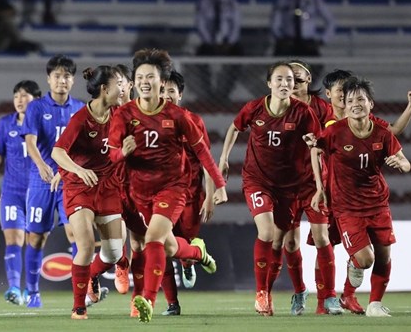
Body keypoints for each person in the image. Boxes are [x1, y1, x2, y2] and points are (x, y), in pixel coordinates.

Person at [109, 48, 228, 323]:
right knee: (170, 248)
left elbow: (203, 153)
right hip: (140, 192)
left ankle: (147, 301)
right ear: (134, 81)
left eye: (151, 76)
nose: (145, 81)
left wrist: (219, 185)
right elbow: (112, 154)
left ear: (162, 82)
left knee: (153, 240)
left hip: (173, 188)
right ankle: (198, 252)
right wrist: (121, 153)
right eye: (140, 76)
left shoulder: (179, 116)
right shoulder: (124, 115)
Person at [218, 61, 321, 316]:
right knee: (266, 232)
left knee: (286, 241)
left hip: (290, 187)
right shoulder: (255, 108)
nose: (286, 84)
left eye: (289, 80)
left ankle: (294, 290)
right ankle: (262, 294)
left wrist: (313, 146)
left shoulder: (303, 112)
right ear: (269, 83)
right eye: (280, 79)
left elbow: (318, 144)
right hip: (257, 181)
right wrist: (223, 158)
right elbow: (234, 128)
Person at [309, 77, 411, 317]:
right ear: (345, 105)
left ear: (370, 104)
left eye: (361, 100)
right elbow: (315, 149)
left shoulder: (382, 134)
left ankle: (375, 304)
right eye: (351, 100)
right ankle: (347, 289)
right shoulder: (334, 131)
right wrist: (319, 188)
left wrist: (401, 164)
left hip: (377, 204)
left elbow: (405, 161)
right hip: (346, 207)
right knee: (365, 259)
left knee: (384, 256)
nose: (356, 104)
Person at [51, 65, 128, 319]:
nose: (123, 88)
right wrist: (75, 170)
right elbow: (57, 151)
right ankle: (78, 307)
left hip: (108, 187)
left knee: (115, 252)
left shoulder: (119, 113)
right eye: (119, 83)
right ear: (105, 89)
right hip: (79, 187)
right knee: (84, 246)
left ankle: (92, 275)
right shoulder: (80, 119)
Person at [266, 59, 341, 316]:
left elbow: (333, 136)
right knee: (289, 243)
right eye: (287, 79)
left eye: (297, 79)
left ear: (309, 80)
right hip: (286, 186)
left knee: (322, 237)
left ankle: (328, 297)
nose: (292, 84)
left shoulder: (322, 108)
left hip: (313, 184)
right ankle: (299, 291)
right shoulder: (276, 108)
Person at [20, 55, 86, 308]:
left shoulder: (80, 109)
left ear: (73, 80)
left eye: (67, 76)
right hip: (41, 181)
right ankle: (33, 291)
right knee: (36, 238)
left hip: (69, 181)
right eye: (57, 76)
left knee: (76, 234)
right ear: (48, 79)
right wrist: (42, 165)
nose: (62, 80)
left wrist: (67, 170)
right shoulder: (36, 107)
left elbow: (82, 147)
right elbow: (30, 141)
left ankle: (83, 292)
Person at [159, 70, 216, 317]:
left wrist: (211, 195)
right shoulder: (147, 121)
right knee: (160, 245)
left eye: (171, 91)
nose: (166, 95)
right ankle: (172, 303)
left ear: (180, 95)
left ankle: (190, 258)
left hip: (191, 195)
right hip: (160, 196)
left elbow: (206, 161)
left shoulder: (193, 121)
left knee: (180, 244)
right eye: (162, 91)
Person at [0, 80, 42, 305]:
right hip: (12, 190)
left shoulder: (44, 123)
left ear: (37, 100)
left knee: (34, 241)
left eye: (25, 95)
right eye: (16, 96)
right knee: (14, 238)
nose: (20, 100)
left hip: (38, 191)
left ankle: (33, 292)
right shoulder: (5, 124)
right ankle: (14, 288)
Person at [271, 0, 335, 83]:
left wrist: (321, 40)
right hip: (288, 42)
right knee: (276, 67)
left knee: (317, 66)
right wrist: (280, 39)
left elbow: (330, 21)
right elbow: (275, 24)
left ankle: (305, 92)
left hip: (307, 43)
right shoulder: (283, 0)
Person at [194, 0, 243, 101]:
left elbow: (236, 24)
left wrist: (230, 42)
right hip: (210, 42)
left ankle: (225, 93)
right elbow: (201, 24)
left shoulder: (232, 2)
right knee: (199, 58)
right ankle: (209, 93)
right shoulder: (204, 2)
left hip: (229, 43)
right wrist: (211, 42)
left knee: (240, 57)